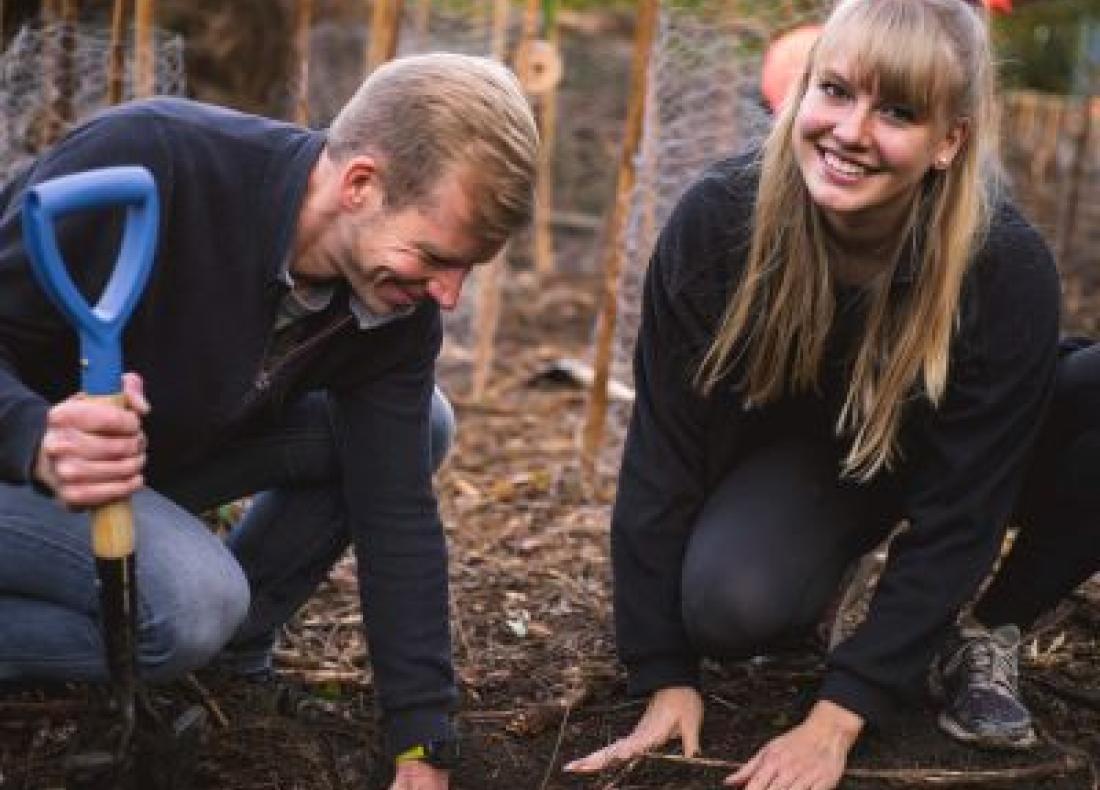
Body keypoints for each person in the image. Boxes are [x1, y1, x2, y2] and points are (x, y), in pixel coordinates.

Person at [565, 1, 1099, 788]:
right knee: (728, 606)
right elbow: (663, 455)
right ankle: (825, 573)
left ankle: (987, 631)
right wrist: (662, 674)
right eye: (836, 91)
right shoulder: (720, 222)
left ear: (948, 141)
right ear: (802, 90)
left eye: (898, 112)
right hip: (833, 458)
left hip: (977, 446)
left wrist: (841, 711)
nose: (851, 132)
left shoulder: (1004, 265)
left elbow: (963, 513)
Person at [0, 53, 538, 790]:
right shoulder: (150, 165)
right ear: (360, 185)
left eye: (468, 268)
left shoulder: (390, 308)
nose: (448, 294)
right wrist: (32, 434)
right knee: (193, 604)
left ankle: (227, 656)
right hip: (21, 461)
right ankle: (177, 632)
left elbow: (396, 513)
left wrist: (421, 740)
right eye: (436, 256)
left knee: (423, 427)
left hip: (135, 465)